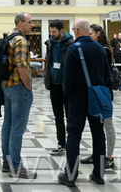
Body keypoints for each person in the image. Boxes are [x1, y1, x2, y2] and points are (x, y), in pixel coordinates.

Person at [59, 19, 109, 186]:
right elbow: (107, 75)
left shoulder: (74, 49)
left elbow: (68, 78)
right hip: (97, 98)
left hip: (78, 98)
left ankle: (70, 176)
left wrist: (68, 94)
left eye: (74, 29)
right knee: (98, 134)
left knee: (74, 135)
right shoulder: (100, 48)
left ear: (78, 31)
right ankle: (99, 174)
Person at [1, 12, 36, 180]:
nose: (32, 25)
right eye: (30, 22)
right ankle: (16, 166)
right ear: (20, 23)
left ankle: (6, 162)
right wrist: (28, 84)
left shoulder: (9, 36)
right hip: (18, 87)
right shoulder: (20, 40)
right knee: (17, 128)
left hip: (7, 86)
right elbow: (21, 65)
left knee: (8, 126)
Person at [82, 24, 116, 170]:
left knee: (107, 124)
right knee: (96, 125)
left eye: (91, 34)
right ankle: (97, 153)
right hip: (95, 91)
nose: (89, 36)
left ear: (98, 34)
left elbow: (104, 72)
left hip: (103, 91)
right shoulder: (94, 48)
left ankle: (109, 156)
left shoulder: (104, 50)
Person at [44, 19, 73, 155]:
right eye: (51, 31)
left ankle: (72, 143)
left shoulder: (71, 43)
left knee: (69, 116)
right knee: (58, 116)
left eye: (54, 32)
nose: (52, 34)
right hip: (54, 85)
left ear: (62, 31)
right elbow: (48, 61)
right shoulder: (50, 43)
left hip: (66, 85)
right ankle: (61, 143)